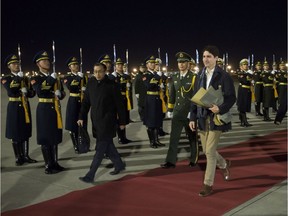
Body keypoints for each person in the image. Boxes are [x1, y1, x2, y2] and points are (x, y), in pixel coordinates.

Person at [189, 45, 236, 197]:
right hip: (202, 117)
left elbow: (231, 97)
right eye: (204, 56)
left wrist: (220, 108)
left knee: (209, 151)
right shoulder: (200, 75)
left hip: (216, 118)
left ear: (216, 58)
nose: (206, 59)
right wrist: (192, 117)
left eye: (209, 56)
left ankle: (207, 184)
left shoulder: (224, 76)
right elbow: (196, 97)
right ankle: (223, 164)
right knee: (207, 150)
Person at [78, 63, 126, 183]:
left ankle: (90, 174)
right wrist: (81, 117)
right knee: (108, 146)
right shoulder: (91, 83)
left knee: (100, 148)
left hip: (108, 121)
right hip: (95, 120)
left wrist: (122, 121)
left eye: (100, 71)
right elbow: (86, 102)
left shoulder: (112, 85)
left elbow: (120, 105)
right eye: (95, 71)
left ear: (105, 72)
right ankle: (119, 164)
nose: (97, 74)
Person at [30, 50, 66, 174]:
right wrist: (51, 80)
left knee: (54, 137)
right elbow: (40, 91)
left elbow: (62, 92)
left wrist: (60, 94)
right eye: (44, 61)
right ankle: (48, 166)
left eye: (47, 60)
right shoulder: (35, 78)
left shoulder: (54, 76)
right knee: (46, 138)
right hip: (44, 109)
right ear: (38, 64)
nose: (47, 62)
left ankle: (55, 163)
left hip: (55, 108)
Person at [161, 51, 198, 169]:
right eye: (179, 62)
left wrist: (193, 113)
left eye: (183, 62)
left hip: (189, 113)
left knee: (192, 137)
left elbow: (197, 97)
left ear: (188, 64)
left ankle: (194, 159)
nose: (181, 64)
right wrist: (170, 109)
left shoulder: (193, 78)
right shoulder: (174, 77)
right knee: (174, 138)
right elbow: (172, 94)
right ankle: (170, 161)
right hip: (177, 112)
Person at [1, 54, 37, 165]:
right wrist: (18, 78)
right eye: (14, 64)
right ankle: (18, 157)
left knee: (25, 131)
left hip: (25, 105)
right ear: (9, 66)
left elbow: (32, 93)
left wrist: (27, 91)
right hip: (14, 106)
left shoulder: (25, 78)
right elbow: (10, 90)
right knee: (15, 132)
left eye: (17, 63)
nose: (16, 65)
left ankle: (26, 156)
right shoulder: (6, 78)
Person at [63, 56, 87, 153]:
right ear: (70, 67)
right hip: (73, 100)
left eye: (77, 64)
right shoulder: (67, 77)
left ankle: (84, 145)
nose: (76, 66)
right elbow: (71, 87)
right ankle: (76, 146)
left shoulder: (83, 76)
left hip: (82, 100)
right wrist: (78, 78)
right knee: (73, 124)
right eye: (73, 65)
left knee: (83, 123)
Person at [142, 55, 165, 148]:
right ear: (147, 65)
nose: (153, 64)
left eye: (154, 63)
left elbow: (165, 78)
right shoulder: (145, 75)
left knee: (157, 120)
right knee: (151, 121)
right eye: (151, 63)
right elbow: (148, 86)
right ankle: (152, 142)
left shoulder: (155, 73)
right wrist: (157, 76)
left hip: (157, 98)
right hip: (150, 99)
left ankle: (156, 140)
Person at [110, 58, 132, 144]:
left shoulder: (125, 76)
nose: (120, 66)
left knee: (124, 118)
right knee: (119, 118)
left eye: (121, 65)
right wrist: (114, 77)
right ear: (115, 67)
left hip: (124, 98)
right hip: (117, 98)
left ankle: (124, 137)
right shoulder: (112, 76)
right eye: (118, 65)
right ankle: (120, 138)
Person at [236, 59, 253, 127]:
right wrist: (248, 76)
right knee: (242, 105)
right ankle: (244, 121)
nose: (246, 66)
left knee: (245, 105)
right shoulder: (241, 73)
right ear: (241, 66)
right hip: (242, 90)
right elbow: (245, 81)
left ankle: (243, 120)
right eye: (244, 65)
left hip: (248, 90)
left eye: (246, 65)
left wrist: (248, 75)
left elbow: (251, 79)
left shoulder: (247, 73)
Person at [155, 58, 169, 136]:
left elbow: (165, 80)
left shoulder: (161, 73)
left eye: (159, 65)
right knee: (157, 115)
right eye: (156, 65)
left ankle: (161, 130)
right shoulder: (153, 74)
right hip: (157, 97)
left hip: (163, 96)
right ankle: (157, 131)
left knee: (162, 115)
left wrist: (164, 76)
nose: (158, 66)